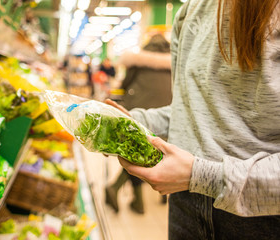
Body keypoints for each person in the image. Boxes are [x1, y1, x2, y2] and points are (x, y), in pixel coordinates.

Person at [105, 0, 280, 239]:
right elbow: (189, 111)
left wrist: (201, 175)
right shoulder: (192, 10)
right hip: (184, 203)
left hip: (259, 216)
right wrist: (134, 121)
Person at [105, 34, 172, 214]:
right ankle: (138, 200)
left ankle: (126, 195)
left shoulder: (139, 60)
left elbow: (125, 83)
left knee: (133, 153)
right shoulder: (174, 63)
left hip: (140, 111)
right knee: (151, 153)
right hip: (167, 114)